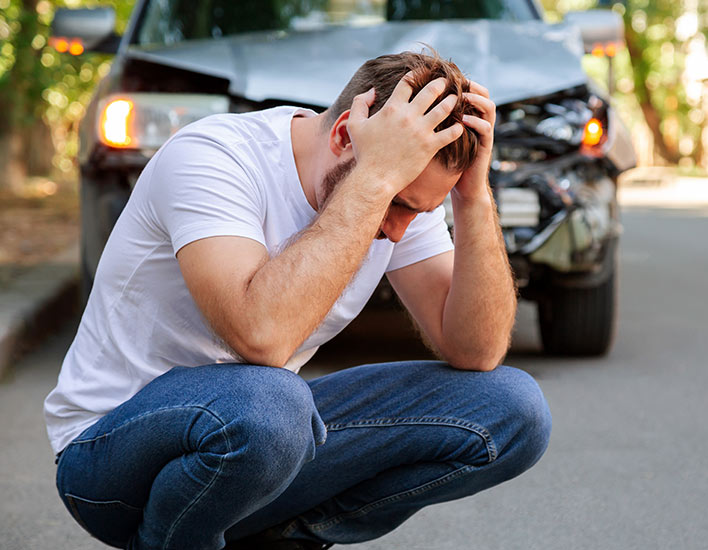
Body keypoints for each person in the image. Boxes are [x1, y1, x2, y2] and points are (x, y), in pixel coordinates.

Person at [44, 50, 552, 550]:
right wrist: (374, 182)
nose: (399, 231)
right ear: (343, 137)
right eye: (396, 203)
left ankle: (281, 538)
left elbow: (476, 349)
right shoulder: (213, 157)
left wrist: (474, 199)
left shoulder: (402, 194)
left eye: (418, 210)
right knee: (272, 405)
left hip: (257, 441)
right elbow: (261, 337)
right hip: (109, 455)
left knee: (512, 409)